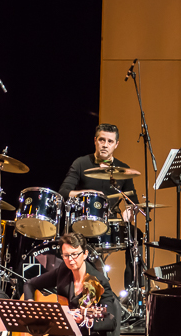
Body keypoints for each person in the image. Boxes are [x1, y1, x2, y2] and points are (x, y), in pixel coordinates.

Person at [59, 123, 140, 287]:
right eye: (102, 140)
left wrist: (130, 211)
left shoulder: (122, 169)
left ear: (116, 144)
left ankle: (133, 290)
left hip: (109, 224)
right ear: (95, 141)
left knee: (137, 237)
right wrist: (85, 193)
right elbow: (64, 191)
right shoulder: (81, 163)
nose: (105, 144)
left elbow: (133, 200)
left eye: (110, 141)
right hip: (82, 224)